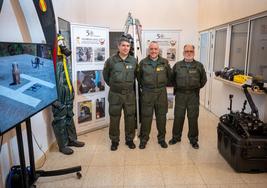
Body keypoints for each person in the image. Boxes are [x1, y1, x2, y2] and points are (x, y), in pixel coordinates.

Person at [169, 44, 207, 149]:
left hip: (193, 96)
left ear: (194, 53)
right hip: (180, 95)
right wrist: (178, 87)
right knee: (178, 117)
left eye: (191, 51)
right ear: (183, 52)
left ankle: (193, 140)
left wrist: (196, 88)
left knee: (193, 118)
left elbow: (203, 80)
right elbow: (172, 79)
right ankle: (176, 137)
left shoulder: (199, 65)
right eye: (186, 51)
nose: (188, 53)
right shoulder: (177, 65)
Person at [52, 34, 85, 155]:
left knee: (69, 116)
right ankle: (63, 145)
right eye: (60, 43)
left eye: (63, 43)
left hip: (68, 92)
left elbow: (67, 75)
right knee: (60, 119)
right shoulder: (51, 59)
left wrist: (72, 90)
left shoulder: (65, 59)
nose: (63, 45)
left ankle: (72, 140)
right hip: (58, 95)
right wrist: (53, 98)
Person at [103, 37, 137, 151]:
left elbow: (137, 76)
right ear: (118, 47)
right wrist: (115, 86)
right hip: (115, 95)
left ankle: (129, 139)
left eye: (128, 46)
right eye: (123, 45)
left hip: (129, 95)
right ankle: (114, 140)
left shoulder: (133, 61)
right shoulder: (111, 60)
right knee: (114, 118)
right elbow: (106, 76)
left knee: (130, 117)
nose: (125, 48)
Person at [137, 41, 172, 149]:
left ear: (158, 50)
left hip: (161, 93)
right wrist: (147, 86)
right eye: (151, 49)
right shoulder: (143, 63)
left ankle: (161, 139)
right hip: (147, 93)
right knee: (146, 117)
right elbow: (139, 78)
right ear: (149, 50)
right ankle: (144, 139)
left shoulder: (165, 62)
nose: (153, 51)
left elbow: (169, 77)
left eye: (155, 49)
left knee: (161, 117)